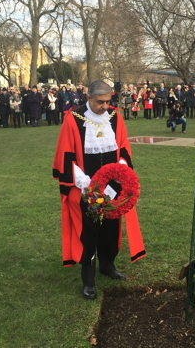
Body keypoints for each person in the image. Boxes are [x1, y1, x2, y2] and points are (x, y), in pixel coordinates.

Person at [52, 80, 146, 300]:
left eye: (108, 101)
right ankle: (88, 280)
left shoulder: (115, 117)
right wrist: (86, 184)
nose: (105, 106)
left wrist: (121, 173)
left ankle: (107, 265)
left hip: (112, 185)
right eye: (100, 102)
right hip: (86, 187)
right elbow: (66, 156)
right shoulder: (73, 120)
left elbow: (123, 148)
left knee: (110, 228)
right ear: (88, 98)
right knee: (89, 232)